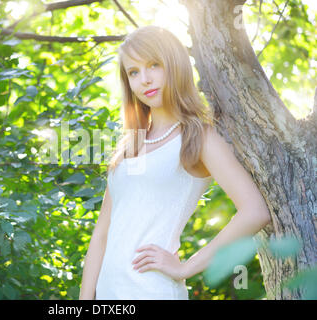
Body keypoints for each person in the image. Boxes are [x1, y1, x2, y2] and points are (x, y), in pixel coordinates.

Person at [79, 25, 271, 300]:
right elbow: (101, 236)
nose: (144, 79)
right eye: (133, 72)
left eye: (153, 65)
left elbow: (255, 211)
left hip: (153, 291)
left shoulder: (198, 136)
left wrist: (185, 268)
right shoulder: (130, 144)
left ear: (174, 65)